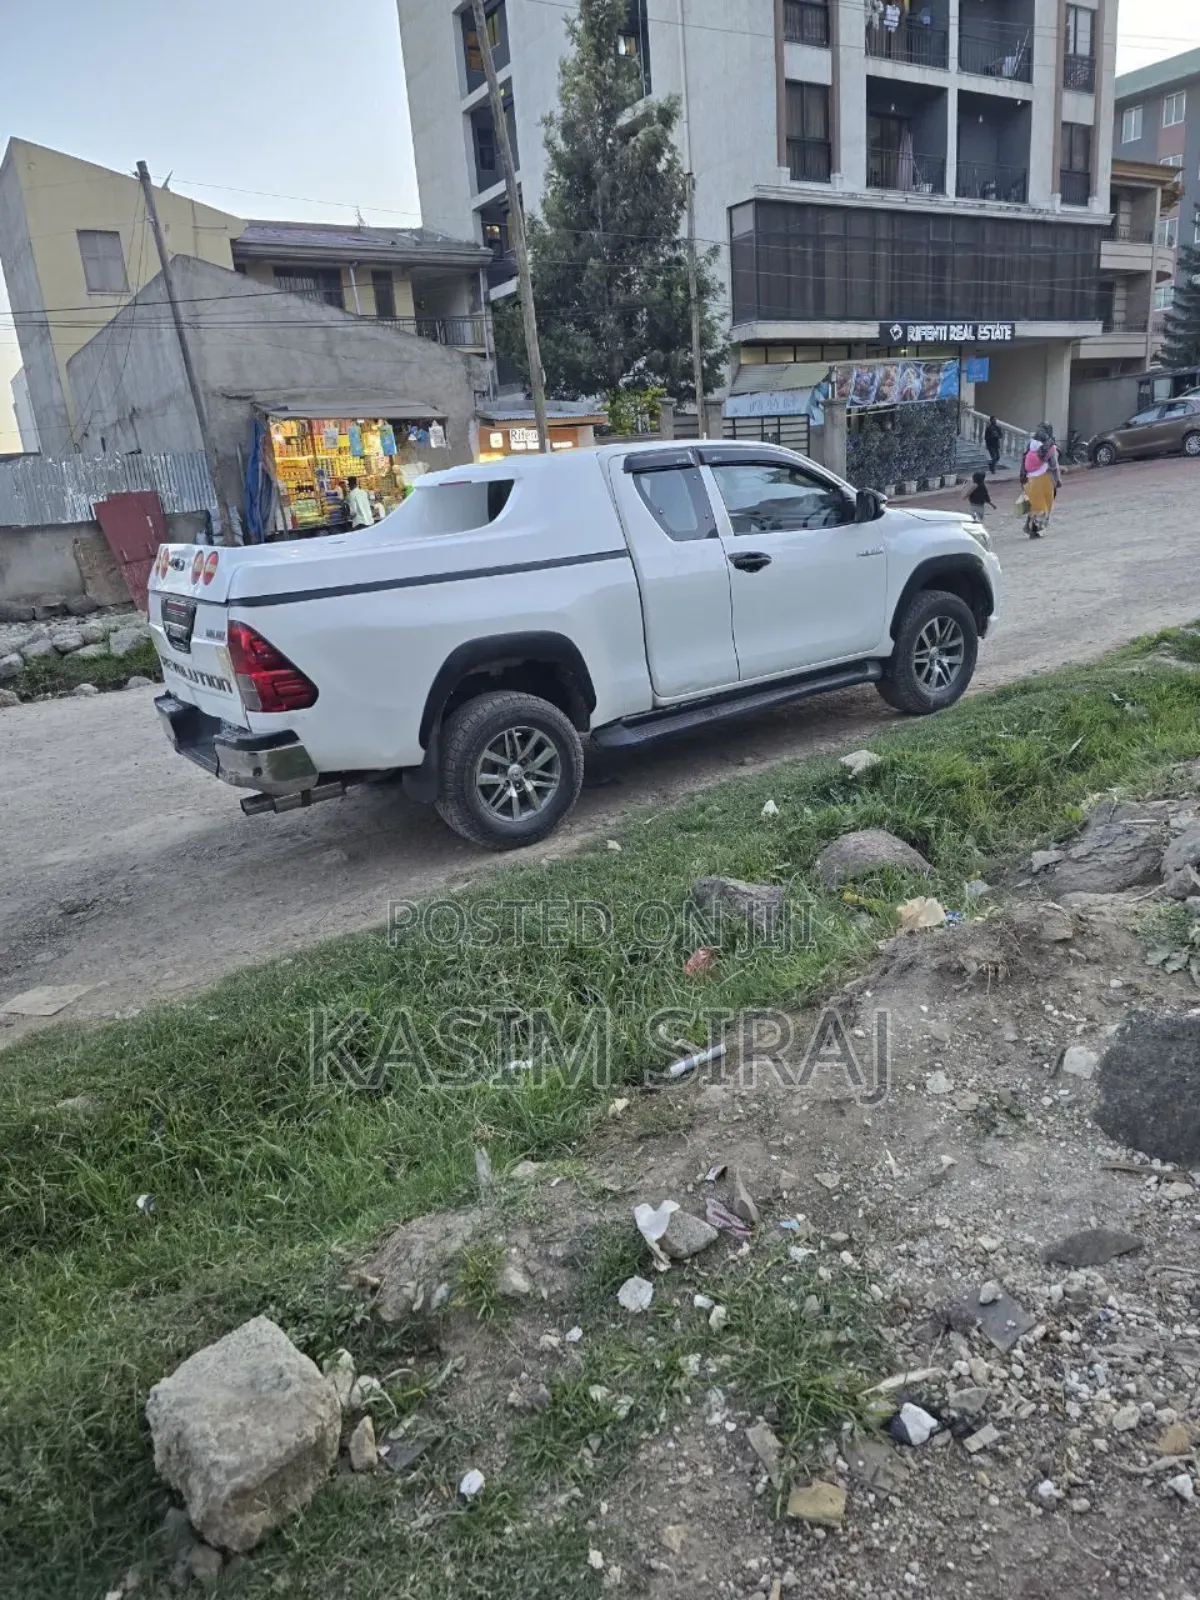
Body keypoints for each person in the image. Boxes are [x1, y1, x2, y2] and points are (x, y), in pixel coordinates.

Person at [1020, 427, 1058, 539]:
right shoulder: (1051, 448)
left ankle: (1030, 527)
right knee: (1045, 507)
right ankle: (1035, 530)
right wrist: (1058, 479)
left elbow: (1023, 461)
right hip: (1045, 478)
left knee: (1034, 505)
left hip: (1030, 479)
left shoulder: (1029, 446)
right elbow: (1054, 466)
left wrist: (1022, 476)